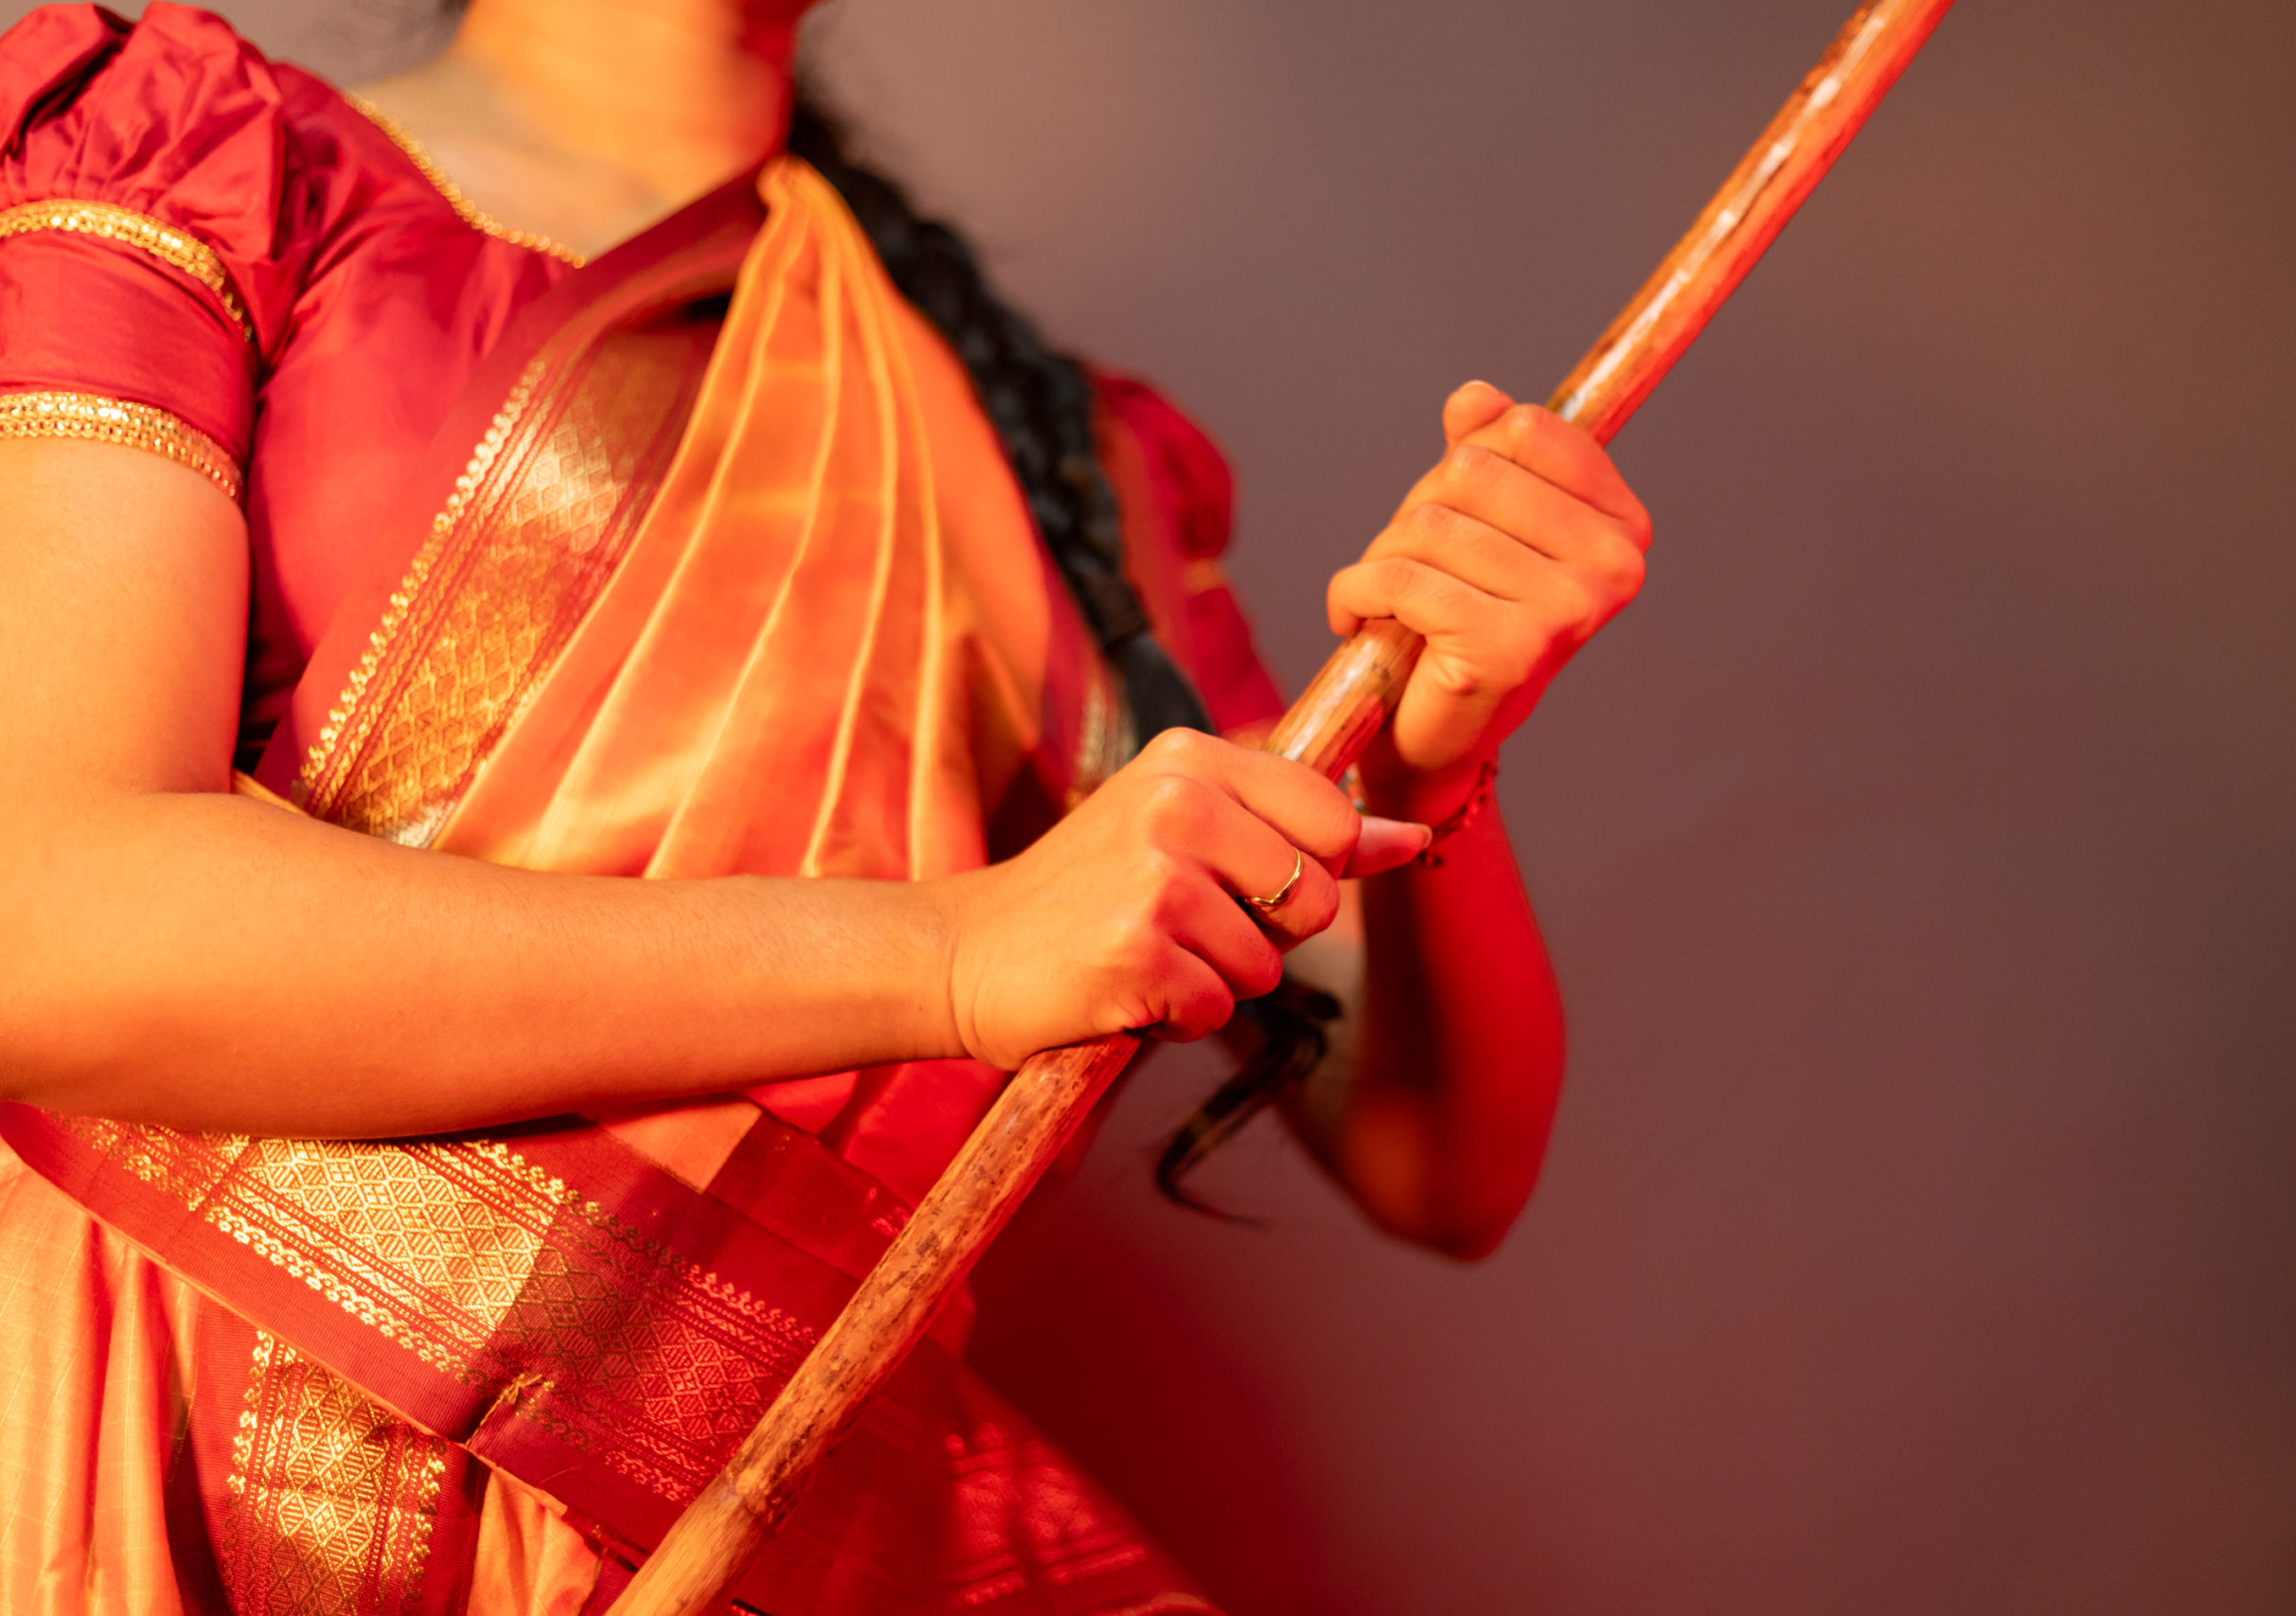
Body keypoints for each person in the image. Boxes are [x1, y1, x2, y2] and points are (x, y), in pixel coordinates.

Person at [0, 0, 1650, 1608]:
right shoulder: (194, 154)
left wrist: (1435, 763)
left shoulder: (1056, 465)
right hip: (132, 1482)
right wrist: (948, 955)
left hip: (754, 1529)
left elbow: (1437, 1159)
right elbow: (50, 921)